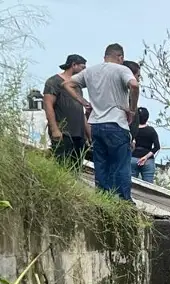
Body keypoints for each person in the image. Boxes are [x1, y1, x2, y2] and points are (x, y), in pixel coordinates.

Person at [65, 43, 139, 201]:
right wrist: (131, 109)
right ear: (120, 57)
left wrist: (84, 102)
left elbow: (68, 84)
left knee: (101, 165)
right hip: (117, 124)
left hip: (96, 125)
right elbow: (134, 85)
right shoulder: (122, 69)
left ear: (105, 56)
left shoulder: (90, 71)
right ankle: (124, 201)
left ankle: (103, 199)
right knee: (120, 165)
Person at [43, 54, 89, 167]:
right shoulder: (53, 82)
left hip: (78, 134)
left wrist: (88, 133)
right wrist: (55, 129)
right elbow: (48, 105)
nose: (84, 72)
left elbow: (80, 111)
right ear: (74, 65)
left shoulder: (76, 86)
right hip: (64, 132)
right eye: (82, 68)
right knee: (62, 166)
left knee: (76, 167)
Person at [130, 107, 160, 182]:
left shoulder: (132, 129)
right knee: (149, 187)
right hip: (148, 161)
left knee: (131, 184)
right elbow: (157, 147)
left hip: (133, 158)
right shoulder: (151, 130)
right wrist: (145, 157)